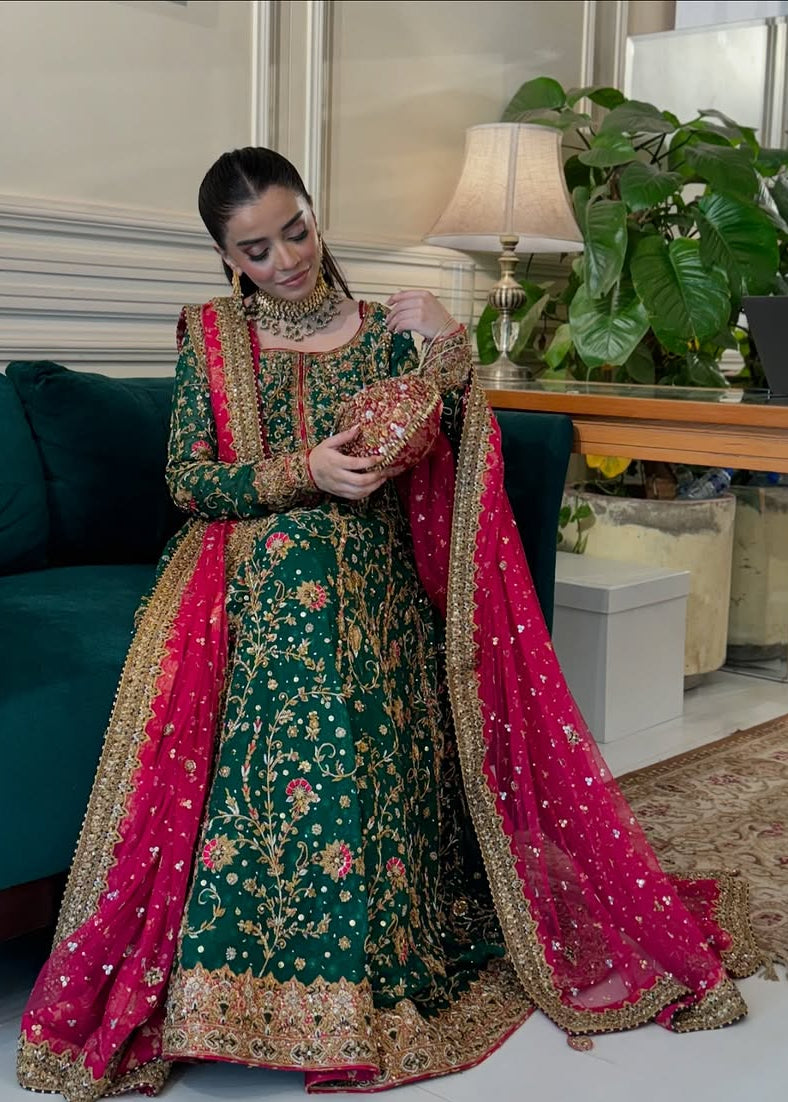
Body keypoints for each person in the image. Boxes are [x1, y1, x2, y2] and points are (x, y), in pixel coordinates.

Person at [17, 148, 763, 1101]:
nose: (286, 258)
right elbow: (190, 481)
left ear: (315, 216)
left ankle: (341, 967)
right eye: (256, 249)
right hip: (244, 560)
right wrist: (301, 475)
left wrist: (450, 354)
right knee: (296, 576)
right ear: (224, 257)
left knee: (319, 577)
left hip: (374, 569)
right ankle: (248, 978)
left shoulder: (389, 332)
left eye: (297, 229)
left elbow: (451, 461)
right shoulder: (207, 337)